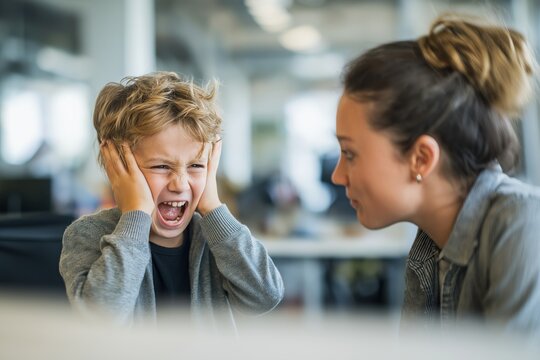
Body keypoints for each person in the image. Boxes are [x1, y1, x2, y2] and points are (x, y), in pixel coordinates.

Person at [331, 14, 540, 334]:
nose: (337, 176)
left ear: (421, 158)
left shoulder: (523, 222)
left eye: (350, 154)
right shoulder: (431, 246)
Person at [59, 72, 284, 330]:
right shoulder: (87, 234)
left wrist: (211, 205)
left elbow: (265, 297)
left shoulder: (213, 239)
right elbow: (101, 317)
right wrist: (136, 215)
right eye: (161, 166)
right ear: (117, 166)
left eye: (196, 165)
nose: (180, 184)